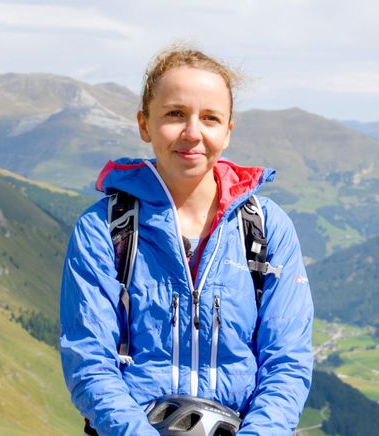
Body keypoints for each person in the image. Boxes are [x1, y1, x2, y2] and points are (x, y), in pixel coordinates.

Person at [59, 45, 314, 435]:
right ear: (144, 125)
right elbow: (90, 360)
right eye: (175, 114)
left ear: (227, 132)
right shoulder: (104, 229)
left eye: (210, 118)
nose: (192, 133)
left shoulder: (264, 228)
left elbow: (287, 360)